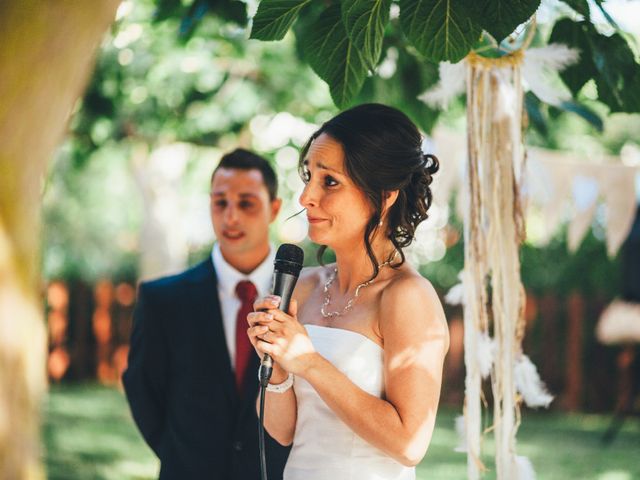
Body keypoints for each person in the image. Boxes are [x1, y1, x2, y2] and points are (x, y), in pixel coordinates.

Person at [247, 103, 449, 479]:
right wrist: (274, 363)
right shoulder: (303, 286)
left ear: (385, 195)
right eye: (309, 176)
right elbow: (283, 430)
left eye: (330, 181)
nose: (306, 197)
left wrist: (308, 362)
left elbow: (410, 444)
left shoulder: (407, 297)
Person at [123, 148, 290, 479]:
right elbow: (142, 390)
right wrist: (181, 455)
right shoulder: (162, 300)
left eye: (246, 203)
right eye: (220, 202)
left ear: (274, 208)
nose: (231, 217)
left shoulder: (303, 298)